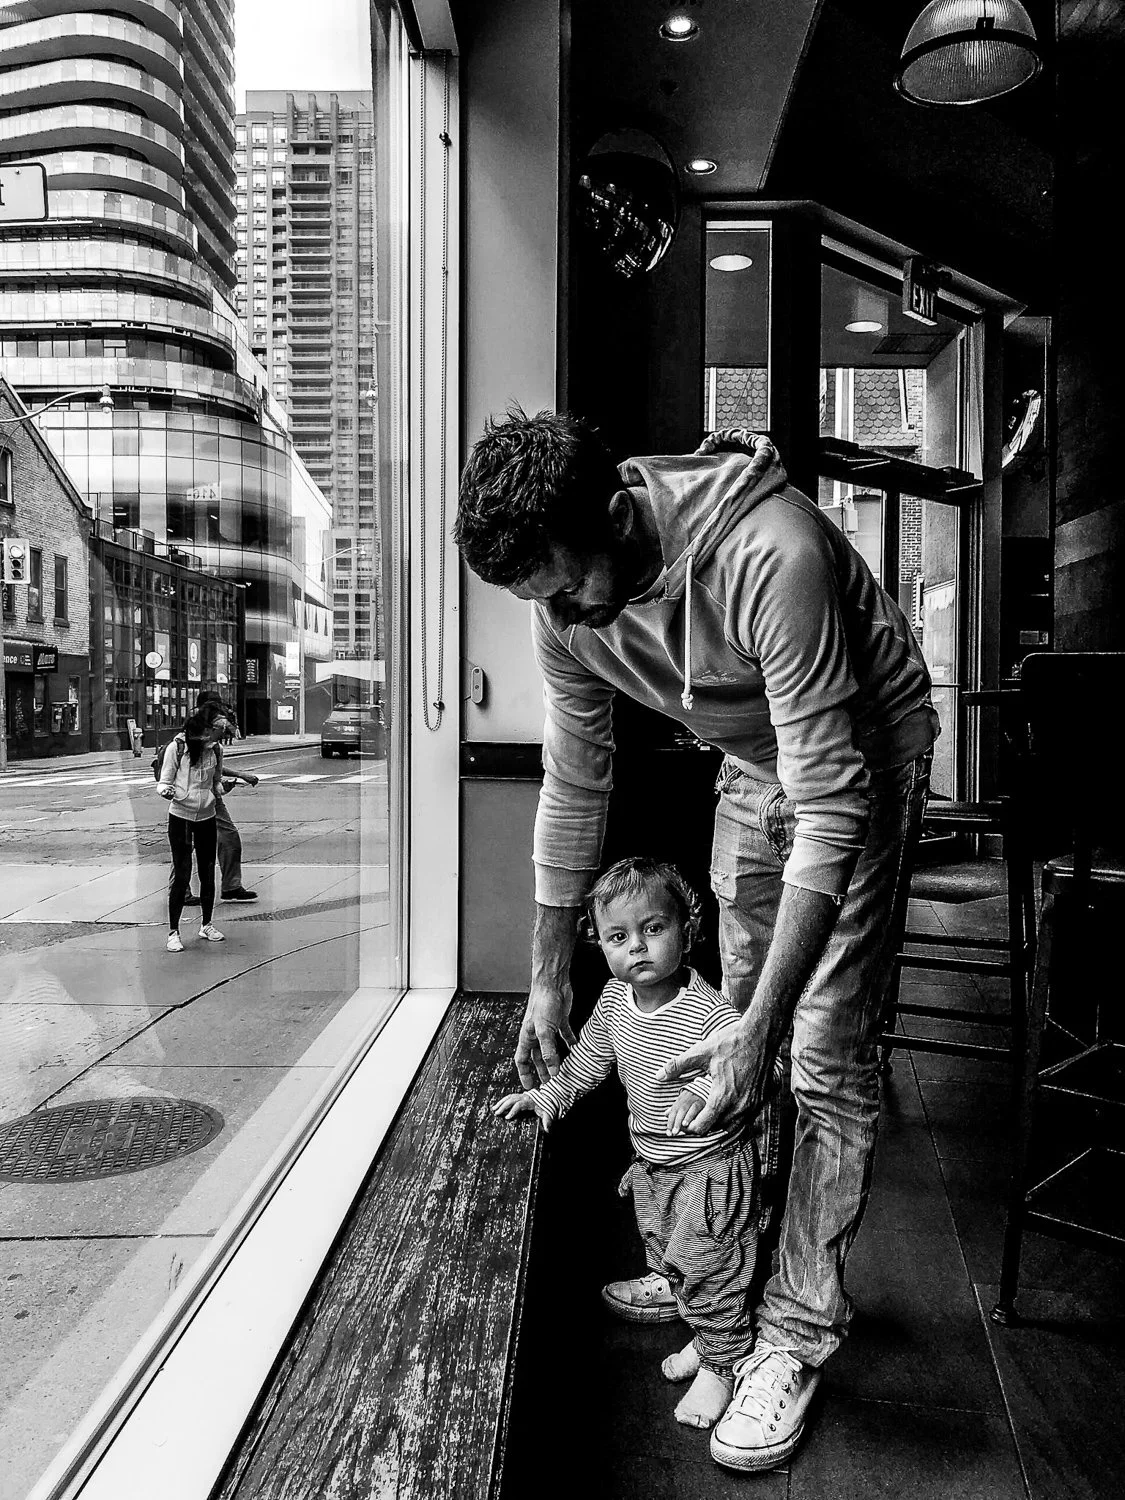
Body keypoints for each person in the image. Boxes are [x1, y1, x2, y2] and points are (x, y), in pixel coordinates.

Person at [456, 412, 936, 1473]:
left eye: (568, 586)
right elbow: (577, 784)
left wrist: (763, 1025)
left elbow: (833, 802)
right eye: (540, 599)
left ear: (620, 521)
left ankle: (796, 1332)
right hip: (748, 761)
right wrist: (547, 983)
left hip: (860, 762)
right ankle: (724, 1273)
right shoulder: (564, 606)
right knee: (728, 1030)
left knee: (819, 1052)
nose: (565, 616)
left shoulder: (774, 551)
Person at [493, 857, 778, 1431]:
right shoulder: (615, 1004)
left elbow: (748, 1074)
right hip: (654, 1160)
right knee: (665, 1240)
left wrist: (702, 1094)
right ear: (598, 943)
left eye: (654, 929)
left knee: (712, 1262)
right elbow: (591, 1061)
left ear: (687, 930)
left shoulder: (712, 1013)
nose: (638, 949)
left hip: (711, 1165)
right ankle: (690, 1308)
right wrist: (548, 1097)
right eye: (619, 937)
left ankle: (723, 1360)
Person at [158, 701, 230, 952]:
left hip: (207, 816)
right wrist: (167, 791)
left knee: (208, 871)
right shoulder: (178, 748)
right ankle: (173, 931)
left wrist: (225, 787)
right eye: (219, 727)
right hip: (181, 816)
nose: (223, 731)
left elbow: (216, 782)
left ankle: (206, 923)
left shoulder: (216, 750)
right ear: (207, 728)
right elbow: (164, 780)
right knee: (182, 872)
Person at [182, 691, 259, 905]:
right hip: (187, 799)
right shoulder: (186, 740)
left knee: (229, 838)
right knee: (186, 846)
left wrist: (230, 779)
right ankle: (181, 890)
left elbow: (215, 770)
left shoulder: (215, 744)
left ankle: (231, 886)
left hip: (212, 798)